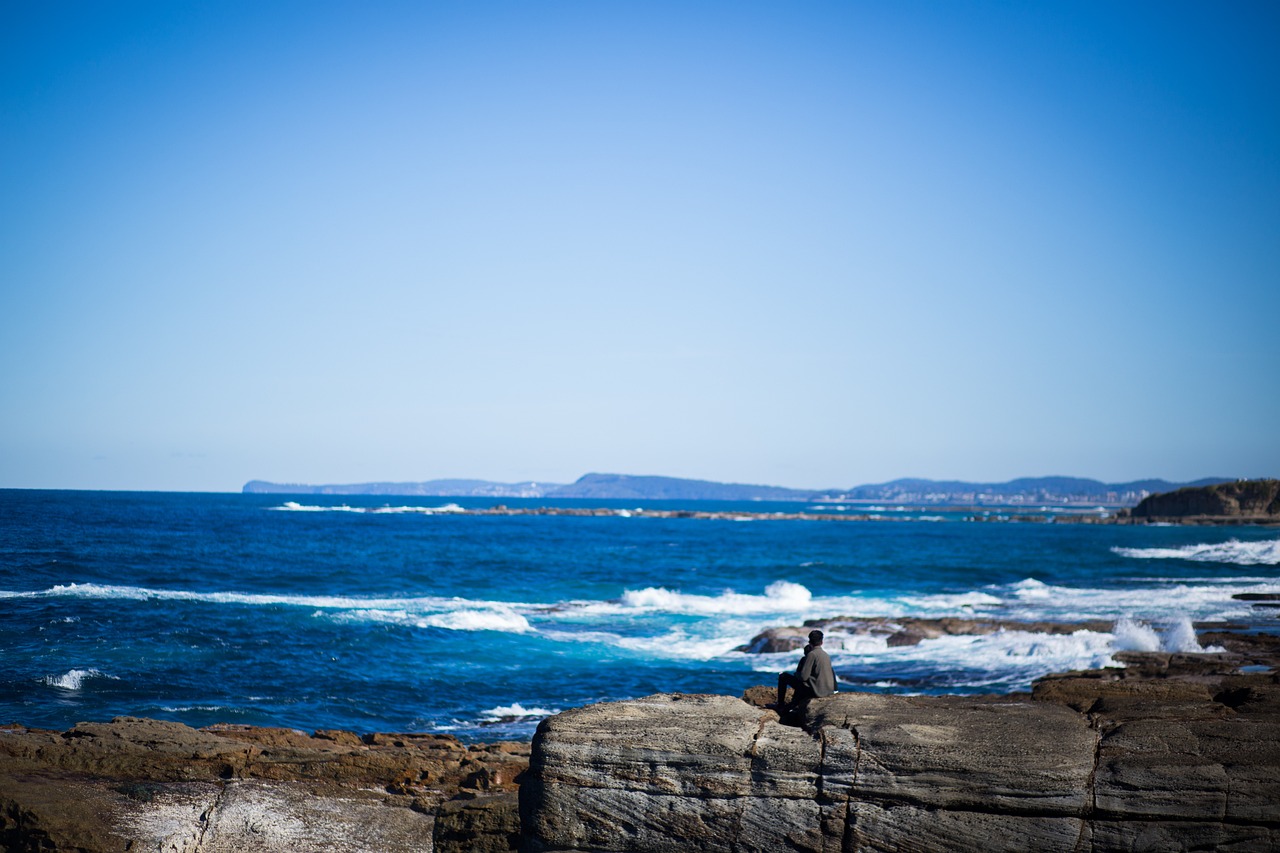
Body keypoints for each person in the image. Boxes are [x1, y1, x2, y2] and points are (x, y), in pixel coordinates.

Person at [771, 629, 836, 714]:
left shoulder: (812, 654)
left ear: (809, 642)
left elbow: (803, 677)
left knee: (783, 676)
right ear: (822, 642)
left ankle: (780, 705)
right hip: (828, 691)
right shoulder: (826, 655)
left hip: (817, 692)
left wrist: (796, 674)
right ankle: (792, 705)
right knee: (803, 684)